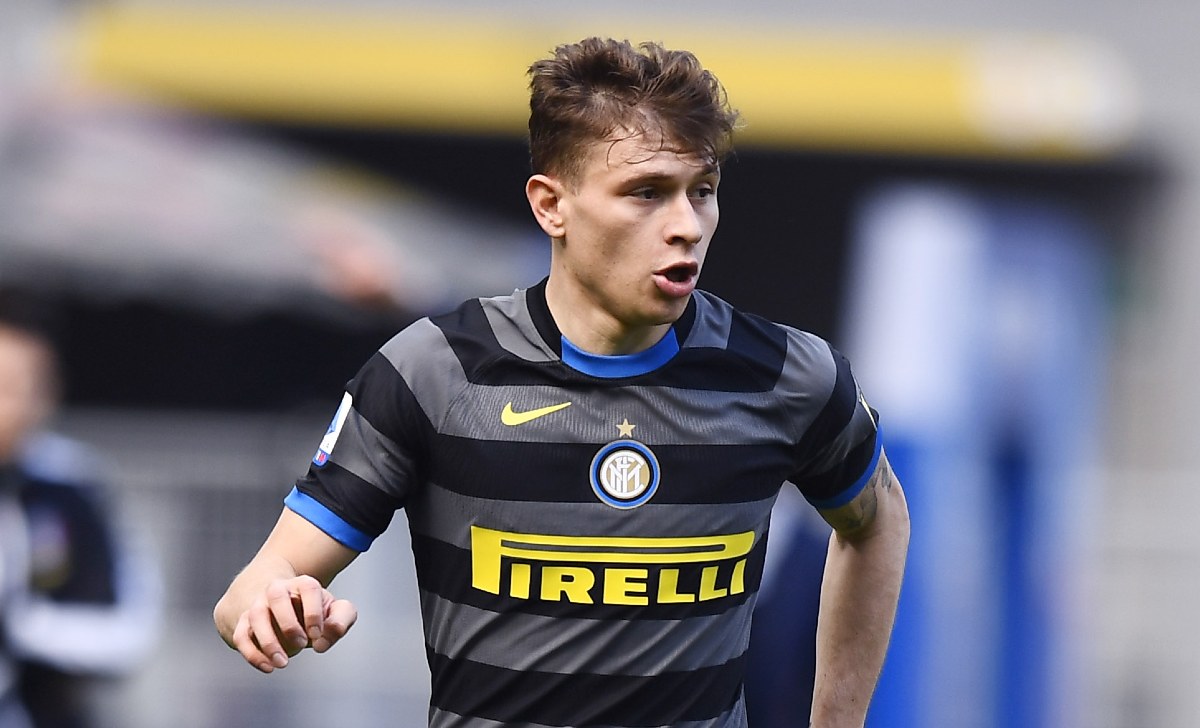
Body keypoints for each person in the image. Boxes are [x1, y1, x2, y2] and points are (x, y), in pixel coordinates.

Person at [214, 37, 909, 728]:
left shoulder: (787, 375)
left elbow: (879, 522)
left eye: (702, 191)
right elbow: (251, 590)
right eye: (646, 193)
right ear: (552, 206)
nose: (686, 226)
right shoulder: (430, 371)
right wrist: (274, 608)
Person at [0, 294, 161, 728]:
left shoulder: (72, 485)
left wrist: (24, 624)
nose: (13, 405)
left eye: (23, 387)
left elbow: (130, 631)